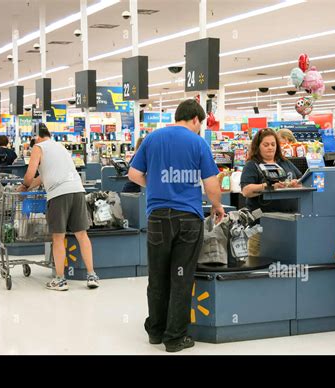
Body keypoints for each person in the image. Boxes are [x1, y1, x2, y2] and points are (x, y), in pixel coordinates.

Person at [128, 99, 224, 352]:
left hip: (158, 218)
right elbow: (211, 183)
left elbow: (133, 174)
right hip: (188, 221)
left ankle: (156, 331)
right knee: (181, 277)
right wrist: (217, 206)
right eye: (200, 124)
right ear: (195, 119)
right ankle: (175, 337)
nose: (199, 128)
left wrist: (158, 186)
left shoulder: (152, 138)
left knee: (157, 276)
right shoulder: (198, 143)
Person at [20, 123, 99, 291]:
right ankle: (92, 275)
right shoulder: (60, 147)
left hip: (59, 194)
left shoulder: (38, 147)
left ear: (36, 136)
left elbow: (30, 174)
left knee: (58, 237)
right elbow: (41, 177)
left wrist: (24, 186)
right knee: (82, 235)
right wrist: (29, 186)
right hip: (77, 190)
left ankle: (60, 279)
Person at [240, 128, 302, 257]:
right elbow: (246, 191)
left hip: (287, 226)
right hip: (260, 228)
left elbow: (301, 180)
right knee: (258, 266)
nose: (270, 148)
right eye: (266, 144)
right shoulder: (252, 165)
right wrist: (268, 186)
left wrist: (295, 184)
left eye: (273, 144)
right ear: (258, 146)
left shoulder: (285, 163)